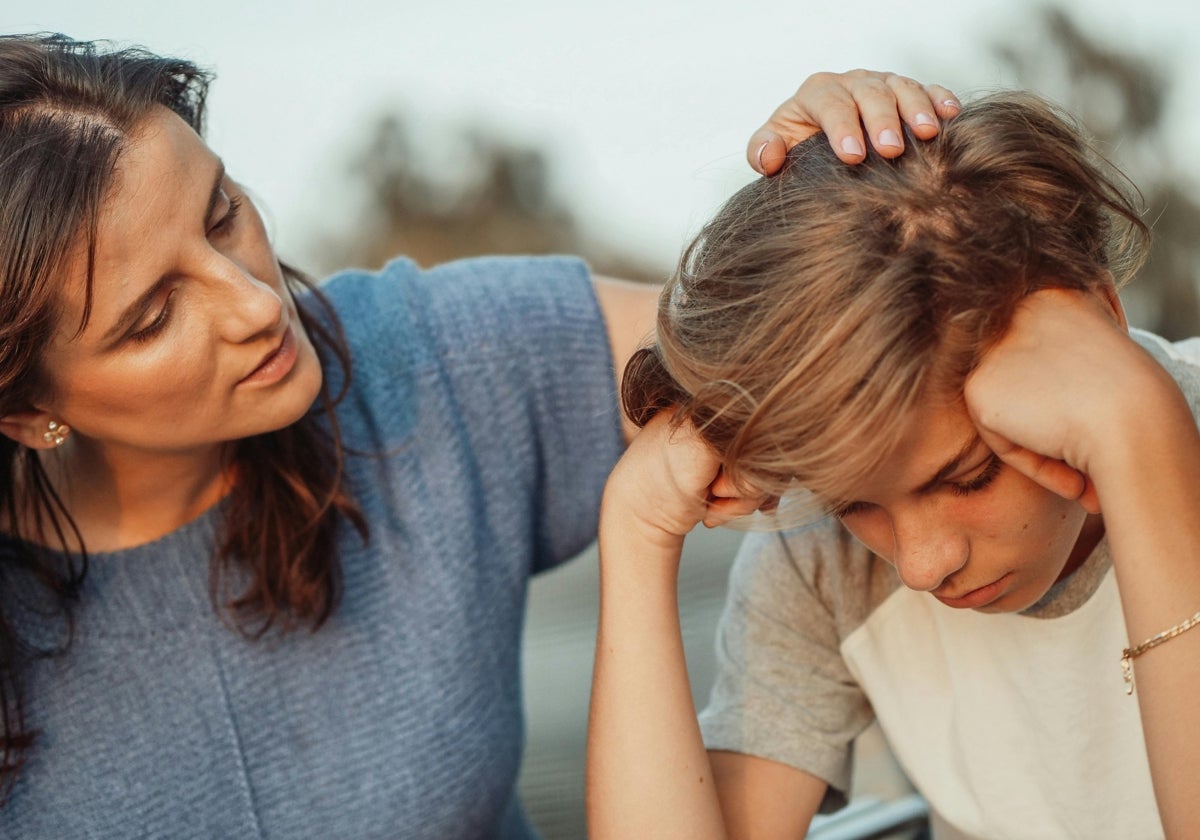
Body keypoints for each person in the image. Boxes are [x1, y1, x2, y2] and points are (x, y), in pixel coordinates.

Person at [0, 33, 960, 838]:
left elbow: (812, 332)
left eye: (223, 215)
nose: (256, 303)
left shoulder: (427, 360)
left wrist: (856, 193)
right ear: (25, 409)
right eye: (153, 317)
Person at [587, 90, 1200, 838]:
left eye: (968, 476)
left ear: (1099, 319)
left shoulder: (1159, 424)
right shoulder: (823, 562)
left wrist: (1141, 439)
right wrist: (636, 530)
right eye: (854, 503)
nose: (921, 563)